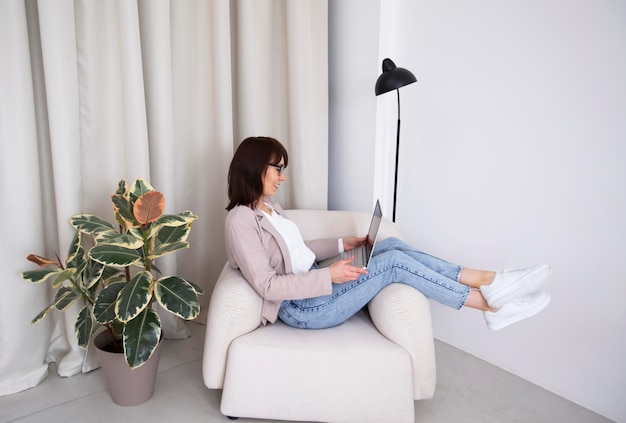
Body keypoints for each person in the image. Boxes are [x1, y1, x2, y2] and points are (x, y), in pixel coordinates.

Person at [225, 136, 551, 331]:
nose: (282, 177)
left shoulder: (269, 207)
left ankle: (489, 282)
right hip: (302, 308)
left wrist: (343, 243)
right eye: (277, 169)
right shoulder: (240, 220)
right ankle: (489, 302)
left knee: (390, 243)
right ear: (255, 168)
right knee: (393, 263)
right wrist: (330, 278)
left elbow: (296, 249)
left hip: (312, 286)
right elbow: (268, 285)